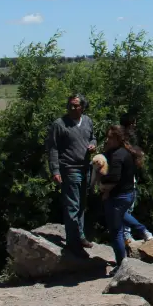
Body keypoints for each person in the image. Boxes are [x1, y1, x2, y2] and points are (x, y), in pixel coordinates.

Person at [45, 94, 97, 257]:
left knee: (82, 205)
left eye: (76, 105)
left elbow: (93, 137)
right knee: (72, 206)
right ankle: (72, 243)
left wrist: (93, 145)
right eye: (70, 105)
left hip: (86, 168)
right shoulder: (59, 124)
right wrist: (55, 170)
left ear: (83, 107)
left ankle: (80, 236)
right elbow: (52, 148)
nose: (72, 108)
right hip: (69, 168)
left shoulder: (87, 121)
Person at [101, 125, 151, 271]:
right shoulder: (126, 152)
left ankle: (121, 264)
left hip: (117, 196)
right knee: (123, 215)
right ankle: (143, 230)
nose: (107, 140)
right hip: (128, 194)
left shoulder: (117, 155)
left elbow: (114, 178)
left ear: (117, 138)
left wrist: (104, 190)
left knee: (116, 231)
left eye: (110, 137)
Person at [119, 112, 152, 245]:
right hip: (122, 178)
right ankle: (129, 234)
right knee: (123, 209)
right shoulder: (122, 138)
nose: (135, 126)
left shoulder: (130, 138)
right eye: (133, 123)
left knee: (127, 208)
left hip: (130, 176)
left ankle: (126, 234)